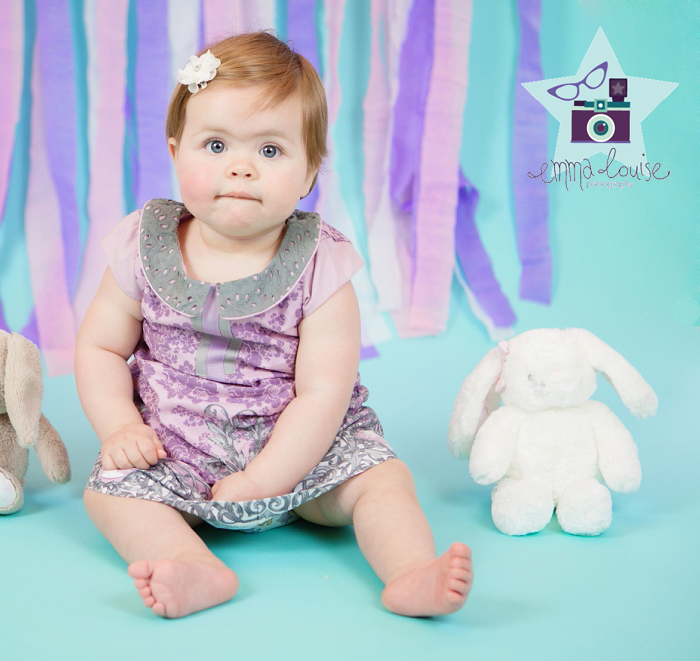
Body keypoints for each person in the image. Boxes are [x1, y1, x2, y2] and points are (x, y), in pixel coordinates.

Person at [76, 32, 471, 618]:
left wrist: (267, 478)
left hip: (306, 450)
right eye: (214, 145)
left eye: (269, 151)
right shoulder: (144, 242)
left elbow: (323, 393)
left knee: (381, 479)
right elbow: (101, 348)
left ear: (310, 171)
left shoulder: (321, 262)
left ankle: (411, 571)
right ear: (174, 149)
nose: (239, 167)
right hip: (176, 447)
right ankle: (195, 566)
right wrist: (117, 429)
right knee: (110, 495)